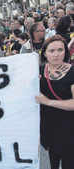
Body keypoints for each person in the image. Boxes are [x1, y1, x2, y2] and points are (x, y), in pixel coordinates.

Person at [36, 35, 74, 169]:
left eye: (60, 50)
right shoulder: (38, 70)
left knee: (68, 162)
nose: (56, 54)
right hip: (48, 127)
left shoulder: (72, 72)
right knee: (53, 160)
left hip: (69, 128)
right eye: (52, 51)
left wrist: (48, 102)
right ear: (45, 53)